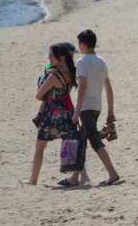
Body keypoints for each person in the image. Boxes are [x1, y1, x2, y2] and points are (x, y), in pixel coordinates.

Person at [63, 30, 120, 187]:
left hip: (86, 107)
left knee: (94, 140)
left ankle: (112, 173)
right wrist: (110, 111)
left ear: (83, 44)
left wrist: (76, 111)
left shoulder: (82, 62)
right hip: (97, 106)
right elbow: (108, 88)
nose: (78, 46)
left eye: (79, 43)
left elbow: (82, 87)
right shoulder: (101, 62)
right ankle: (75, 177)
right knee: (83, 139)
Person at [21, 44, 78, 185]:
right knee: (71, 143)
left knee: (40, 147)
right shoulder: (72, 73)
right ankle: (80, 176)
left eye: (51, 55)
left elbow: (39, 95)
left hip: (51, 115)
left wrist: (47, 76)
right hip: (67, 112)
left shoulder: (54, 76)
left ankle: (33, 180)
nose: (49, 58)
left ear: (61, 58)